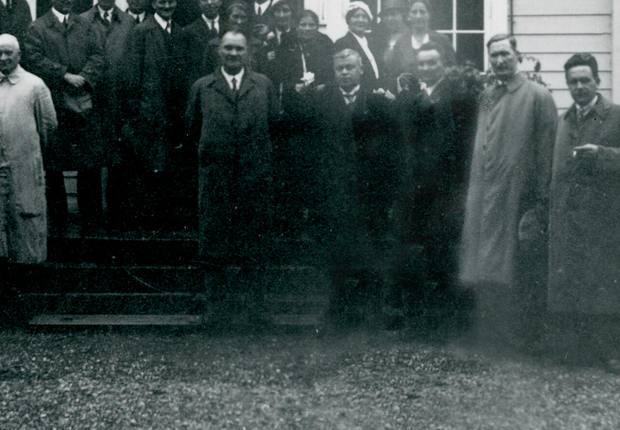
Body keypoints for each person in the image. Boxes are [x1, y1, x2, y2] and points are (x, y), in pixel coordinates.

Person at [547, 53, 620, 373]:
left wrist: (602, 154)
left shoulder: (618, 116)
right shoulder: (564, 122)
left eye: (585, 80)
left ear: (597, 81)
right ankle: (578, 352)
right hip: (570, 220)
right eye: (573, 81)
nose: (579, 87)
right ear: (567, 85)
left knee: (607, 286)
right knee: (575, 284)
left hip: (607, 220)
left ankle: (610, 352)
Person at [458, 34, 558, 351]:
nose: (499, 61)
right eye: (494, 56)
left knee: (520, 265)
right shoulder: (487, 95)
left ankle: (526, 338)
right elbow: (480, 141)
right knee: (485, 263)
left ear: (517, 55)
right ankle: (492, 333)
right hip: (486, 193)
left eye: (505, 54)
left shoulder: (538, 96)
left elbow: (547, 151)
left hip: (520, 194)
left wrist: (541, 198)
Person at [185, 31, 279, 329]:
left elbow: (275, 126)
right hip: (216, 180)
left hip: (254, 178)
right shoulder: (202, 87)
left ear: (248, 51)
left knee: (256, 242)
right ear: (219, 51)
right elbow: (190, 131)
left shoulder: (262, 85)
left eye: (239, 48)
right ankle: (218, 310)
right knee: (214, 244)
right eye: (228, 48)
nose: (234, 53)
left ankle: (256, 310)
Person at [301, 48, 402, 327]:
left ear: (361, 70)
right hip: (333, 193)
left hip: (369, 194)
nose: (344, 72)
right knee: (335, 253)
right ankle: (337, 309)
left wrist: (387, 193)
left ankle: (373, 310)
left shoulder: (378, 102)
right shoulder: (321, 100)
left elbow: (391, 151)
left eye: (349, 68)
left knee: (371, 251)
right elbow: (311, 149)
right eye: (339, 68)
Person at [389, 44, 478, 329]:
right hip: (413, 190)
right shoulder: (409, 98)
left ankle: (444, 319)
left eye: (432, 63)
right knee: (411, 253)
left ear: (443, 64)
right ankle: (416, 317)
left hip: (447, 189)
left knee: (443, 253)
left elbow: (476, 128)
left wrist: (483, 85)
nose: (426, 69)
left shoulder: (462, 96)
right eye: (422, 64)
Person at [0, 34, 58, 307]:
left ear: (19, 55)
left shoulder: (35, 86)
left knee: (22, 227)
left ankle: (22, 297)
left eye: (9, 53)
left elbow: (48, 127)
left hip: (22, 169)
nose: (4, 59)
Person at [23, 0, 107, 234]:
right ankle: (58, 228)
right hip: (54, 106)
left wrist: (84, 77)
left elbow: (99, 55)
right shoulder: (38, 27)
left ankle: (91, 228)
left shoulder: (85, 24)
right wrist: (63, 75)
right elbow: (33, 59)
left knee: (89, 167)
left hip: (83, 106)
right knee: (54, 167)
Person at [120, 0, 182, 229]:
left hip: (172, 113)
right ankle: (147, 222)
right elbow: (132, 75)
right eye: (162, 2)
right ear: (153, 5)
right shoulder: (142, 31)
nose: (167, 6)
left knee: (169, 168)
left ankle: (166, 221)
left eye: (170, 2)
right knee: (148, 169)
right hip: (148, 111)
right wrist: (135, 113)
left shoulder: (179, 32)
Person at [79, 0, 136, 231]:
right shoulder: (81, 21)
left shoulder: (129, 22)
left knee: (118, 164)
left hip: (118, 102)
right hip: (89, 101)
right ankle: (89, 221)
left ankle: (117, 219)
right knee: (88, 163)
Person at [385, 0, 457, 81]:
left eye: (422, 12)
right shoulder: (401, 43)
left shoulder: (442, 40)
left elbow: (452, 70)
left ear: (429, 15)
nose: (418, 16)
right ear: (408, 15)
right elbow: (395, 74)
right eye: (414, 12)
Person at [175, 0, 223, 90]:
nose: (209, 2)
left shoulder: (229, 27)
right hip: (201, 89)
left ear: (220, 0)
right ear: (198, 3)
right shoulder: (188, 32)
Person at [333, 2, 383, 88]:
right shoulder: (342, 43)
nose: (361, 20)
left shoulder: (372, 41)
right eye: (356, 16)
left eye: (364, 17)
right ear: (348, 20)